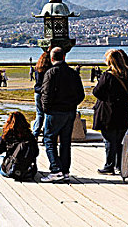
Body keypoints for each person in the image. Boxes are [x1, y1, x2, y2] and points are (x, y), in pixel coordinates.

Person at [40, 47, 85, 183]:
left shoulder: (51, 73)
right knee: (66, 142)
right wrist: (72, 105)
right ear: (64, 57)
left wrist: (46, 109)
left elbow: (46, 94)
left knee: (49, 140)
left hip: (54, 112)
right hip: (69, 112)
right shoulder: (72, 73)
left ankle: (56, 169)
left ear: (52, 59)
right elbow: (81, 94)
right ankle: (65, 170)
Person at [93, 50, 128, 174]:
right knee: (120, 140)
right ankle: (120, 165)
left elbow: (96, 92)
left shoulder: (107, 76)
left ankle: (109, 165)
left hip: (108, 112)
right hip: (123, 111)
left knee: (109, 139)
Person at [0, 111, 39, 179]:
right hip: (29, 172)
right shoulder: (30, 136)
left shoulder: (7, 135)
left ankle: (1, 171)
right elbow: (36, 153)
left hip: (11, 170)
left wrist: (3, 138)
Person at [32, 52, 52, 140]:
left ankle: (35, 134)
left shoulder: (37, 68)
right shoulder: (50, 69)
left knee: (39, 114)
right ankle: (46, 135)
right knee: (47, 114)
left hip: (37, 92)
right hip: (45, 92)